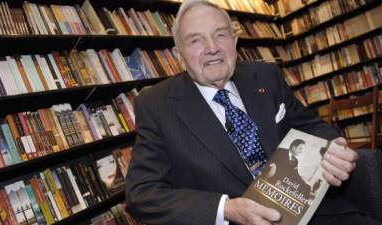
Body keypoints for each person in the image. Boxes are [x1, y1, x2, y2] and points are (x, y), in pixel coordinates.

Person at [125, 0, 381, 224]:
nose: (212, 47)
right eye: (195, 40)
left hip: (315, 212)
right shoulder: (156, 105)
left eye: (221, 35)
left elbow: (310, 125)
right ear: (178, 53)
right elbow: (142, 194)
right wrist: (227, 209)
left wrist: (332, 147)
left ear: (235, 41)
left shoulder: (266, 76)